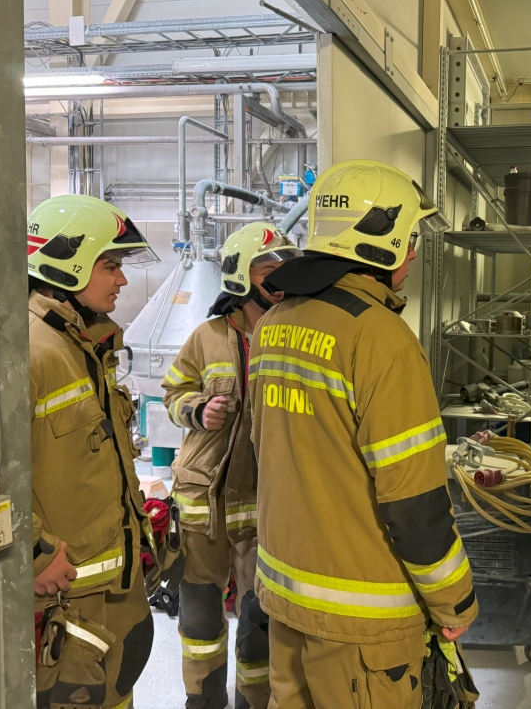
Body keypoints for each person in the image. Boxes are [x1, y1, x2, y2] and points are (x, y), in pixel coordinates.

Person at [248, 160, 478, 708]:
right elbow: (413, 502)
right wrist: (454, 600)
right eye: (410, 238)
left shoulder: (273, 325)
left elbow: (273, 453)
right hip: (361, 622)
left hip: (285, 597)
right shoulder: (381, 338)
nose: (414, 253)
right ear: (379, 241)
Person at [28, 195, 162, 709]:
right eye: (110, 266)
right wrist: (36, 554)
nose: (122, 280)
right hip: (64, 596)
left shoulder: (83, 345)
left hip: (110, 592)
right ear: (66, 265)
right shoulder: (31, 351)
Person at [162, 223, 302, 709]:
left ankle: (253, 702)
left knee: (260, 615)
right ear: (241, 276)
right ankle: (203, 700)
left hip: (263, 505)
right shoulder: (207, 336)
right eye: (267, 268)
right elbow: (173, 392)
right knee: (200, 616)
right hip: (203, 502)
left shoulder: (293, 336)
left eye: (284, 267)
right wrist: (198, 410)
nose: (279, 276)